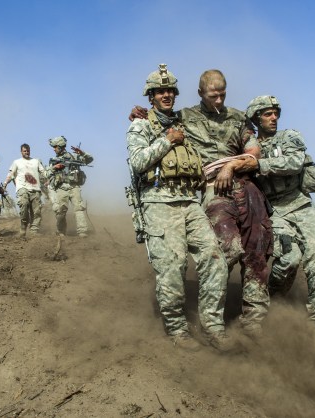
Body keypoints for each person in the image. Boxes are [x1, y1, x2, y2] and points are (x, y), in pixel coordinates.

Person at [131, 70, 273, 337]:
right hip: (210, 189)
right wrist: (141, 112)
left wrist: (231, 165)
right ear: (200, 94)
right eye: (213, 95)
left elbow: (253, 151)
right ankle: (197, 316)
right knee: (225, 249)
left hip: (245, 184)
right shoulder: (184, 118)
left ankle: (239, 322)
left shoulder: (237, 117)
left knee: (257, 250)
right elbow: (157, 124)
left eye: (223, 94)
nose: (218, 100)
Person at [127, 63, 230, 351]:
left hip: (189, 201)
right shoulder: (140, 126)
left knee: (215, 259)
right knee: (173, 267)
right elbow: (137, 162)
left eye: (171, 90)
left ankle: (213, 326)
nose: (167, 95)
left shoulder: (184, 123)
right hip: (158, 202)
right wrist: (165, 140)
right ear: (151, 96)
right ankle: (177, 328)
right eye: (160, 91)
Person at [246, 95, 315, 327]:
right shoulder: (249, 146)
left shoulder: (289, 137)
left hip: (299, 204)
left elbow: (294, 162)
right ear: (256, 118)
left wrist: (259, 165)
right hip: (273, 211)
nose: (274, 117)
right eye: (267, 114)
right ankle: (274, 302)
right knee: (289, 258)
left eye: (276, 113)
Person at [46, 136, 93, 237]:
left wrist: (82, 152)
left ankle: (82, 231)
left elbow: (89, 159)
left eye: (55, 147)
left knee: (79, 208)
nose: (54, 149)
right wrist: (55, 167)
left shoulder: (73, 157)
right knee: (60, 211)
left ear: (60, 146)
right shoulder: (54, 160)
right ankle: (61, 231)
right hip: (61, 188)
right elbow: (46, 174)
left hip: (74, 186)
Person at [2, 143, 48, 236]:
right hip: (22, 187)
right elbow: (10, 174)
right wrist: (5, 184)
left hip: (35, 188)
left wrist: (49, 179)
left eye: (28, 151)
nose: (26, 152)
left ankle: (34, 230)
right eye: (24, 151)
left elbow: (44, 172)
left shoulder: (36, 161)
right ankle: (23, 227)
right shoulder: (17, 162)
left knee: (36, 211)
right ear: (21, 152)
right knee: (24, 204)